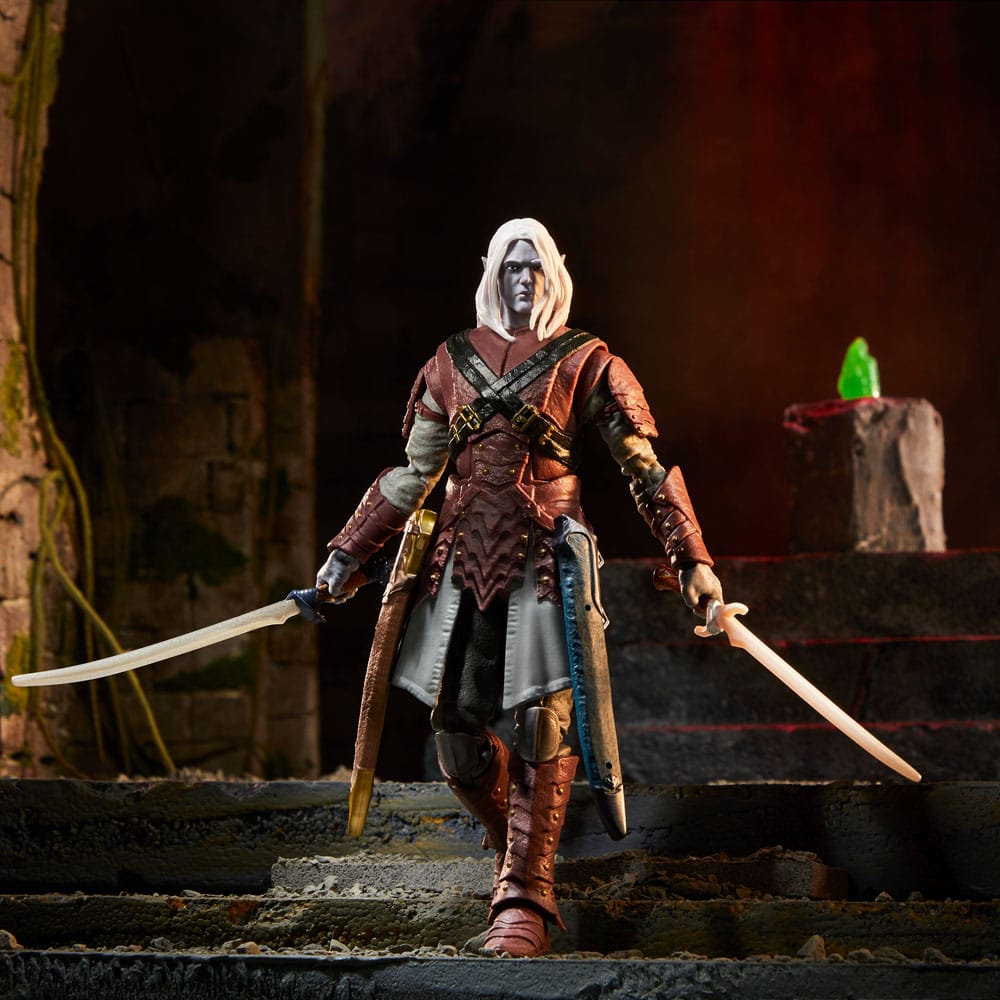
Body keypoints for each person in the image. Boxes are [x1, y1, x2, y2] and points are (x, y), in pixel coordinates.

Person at [317, 218, 723, 957]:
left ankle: (524, 899)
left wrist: (692, 558)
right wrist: (349, 552)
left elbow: (644, 468)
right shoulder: (450, 363)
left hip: (545, 562)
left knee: (543, 723)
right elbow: (415, 474)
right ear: (493, 273)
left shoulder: (588, 362)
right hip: (461, 563)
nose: (524, 279)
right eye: (512, 265)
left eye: (536, 266)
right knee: (456, 738)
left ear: (555, 274)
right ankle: (520, 844)